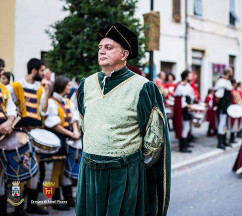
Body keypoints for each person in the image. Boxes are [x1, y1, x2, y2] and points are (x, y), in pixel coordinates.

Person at [76, 23, 170, 216]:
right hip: (89, 171)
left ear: (124, 54)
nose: (102, 51)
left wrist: (131, 168)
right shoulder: (86, 84)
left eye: (108, 48)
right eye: (100, 47)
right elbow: (85, 125)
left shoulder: (142, 87)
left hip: (124, 173)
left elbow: (153, 141)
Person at [7, 58, 50, 215]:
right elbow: (6, 105)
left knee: (34, 171)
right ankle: (18, 207)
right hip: (18, 134)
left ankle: (31, 205)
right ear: (34, 70)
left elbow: (43, 111)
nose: (43, 73)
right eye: (41, 70)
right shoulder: (15, 86)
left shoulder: (40, 89)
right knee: (18, 172)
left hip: (34, 133)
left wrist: (47, 91)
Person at [44, 75, 80, 210]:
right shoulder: (52, 102)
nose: (69, 87)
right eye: (67, 85)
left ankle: (68, 199)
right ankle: (56, 200)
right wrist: (72, 134)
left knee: (65, 170)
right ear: (61, 87)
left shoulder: (67, 102)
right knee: (56, 170)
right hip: (58, 138)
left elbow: (74, 118)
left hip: (68, 138)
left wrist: (75, 131)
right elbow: (53, 124)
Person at [0, 82, 17, 216]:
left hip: (3, 133)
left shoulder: (3, 88)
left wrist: (9, 122)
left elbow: (11, 109)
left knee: (1, 174)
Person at [173, 70, 197, 153]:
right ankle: (182, 147)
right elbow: (182, 102)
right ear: (186, 77)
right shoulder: (180, 87)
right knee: (185, 128)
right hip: (184, 110)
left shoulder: (188, 86)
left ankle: (186, 143)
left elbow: (191, 97)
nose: (191, 77)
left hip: (188, 109)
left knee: (188, 127)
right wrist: (190, 106)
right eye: (190, 76)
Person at [214, 68, 233, 149]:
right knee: (221, 124)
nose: (232, 73)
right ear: (228, 73)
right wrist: (220, 105)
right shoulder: (221, 82)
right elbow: (218, 96)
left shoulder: (227, 81)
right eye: (231, 72)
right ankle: (220, 142)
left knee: (225, 124)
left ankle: (224, 141)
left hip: (226, 106)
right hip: (223, 106)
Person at [228, 79, 242, 143]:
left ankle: (232, 138)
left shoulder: (234, 90)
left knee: (235, 124)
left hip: (235, 107)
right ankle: (231, 139)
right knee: (232, 124)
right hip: (233, 108)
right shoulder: (232, 90)